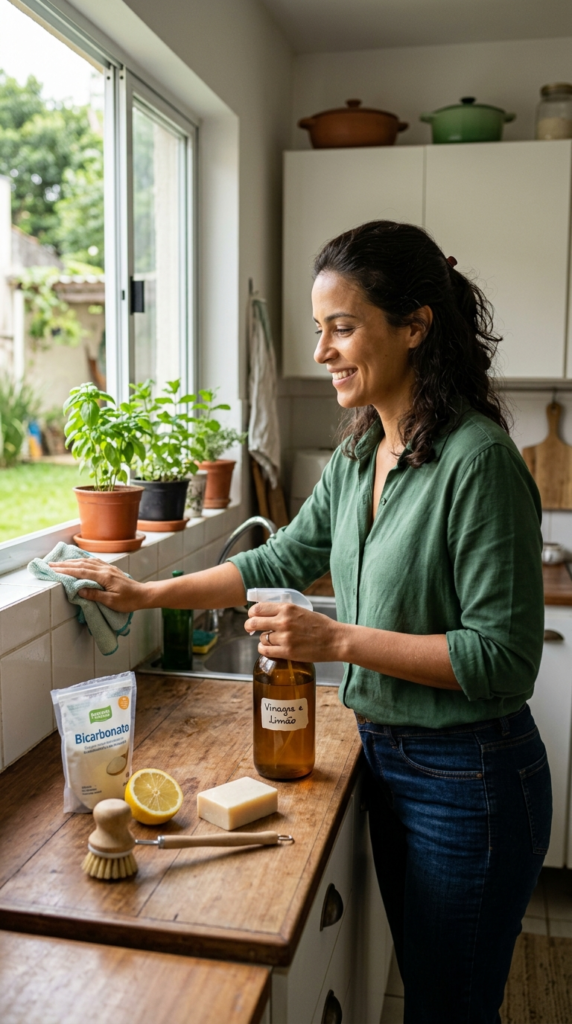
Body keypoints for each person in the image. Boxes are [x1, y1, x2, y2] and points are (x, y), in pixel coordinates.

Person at [52, 221, 551, 1024]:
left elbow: (502, 659)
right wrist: (146, 593)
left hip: (472, 782)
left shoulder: (477, 461)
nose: (321, 351)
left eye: (342, 328)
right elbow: (276, 559)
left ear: (415, 326)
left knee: (450, 1010)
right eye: (319, 329)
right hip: (392, 761)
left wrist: (335, 641)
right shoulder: (360, 456)